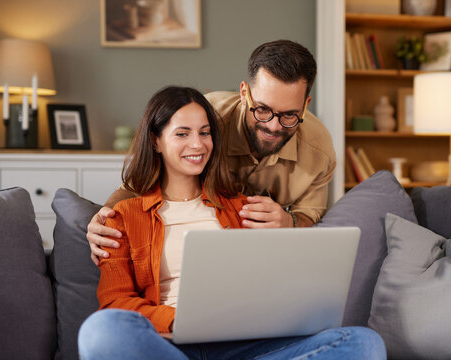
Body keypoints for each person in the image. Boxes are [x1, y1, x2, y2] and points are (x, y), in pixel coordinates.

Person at [77, 86, 386, 359]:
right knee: (100, 330)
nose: (197, 145)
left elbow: (274, 286)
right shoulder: (122, 217)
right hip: (167, 345)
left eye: (205, 132)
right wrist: (181, 319)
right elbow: (115, 303)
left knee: (363, 343)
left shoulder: (244, 209)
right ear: (156, 141)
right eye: (182, 133)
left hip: (243, 344)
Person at [86, 39, 337, 265]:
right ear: (244, 94)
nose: (273, 126)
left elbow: (310, 215)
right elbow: (140, 180)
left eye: (290, 115)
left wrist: (289, 223)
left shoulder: (320, 150)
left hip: (265, 259)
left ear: (305, 106)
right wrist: (104, 217)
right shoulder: (205, 119)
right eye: (262, 109)